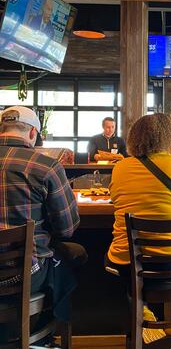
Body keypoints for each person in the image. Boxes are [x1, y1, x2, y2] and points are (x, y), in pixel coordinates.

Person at [105, 113, 171, 342]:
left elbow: (116, 201)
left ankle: (140, 305)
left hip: (130, 264)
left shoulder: (120, 168)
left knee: (113, 254)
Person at [0, 106, 84, 336]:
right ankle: (44, 332)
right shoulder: (45, 166)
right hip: (24, 274)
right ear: (32, 134)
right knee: (72, 257)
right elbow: (67, 229)